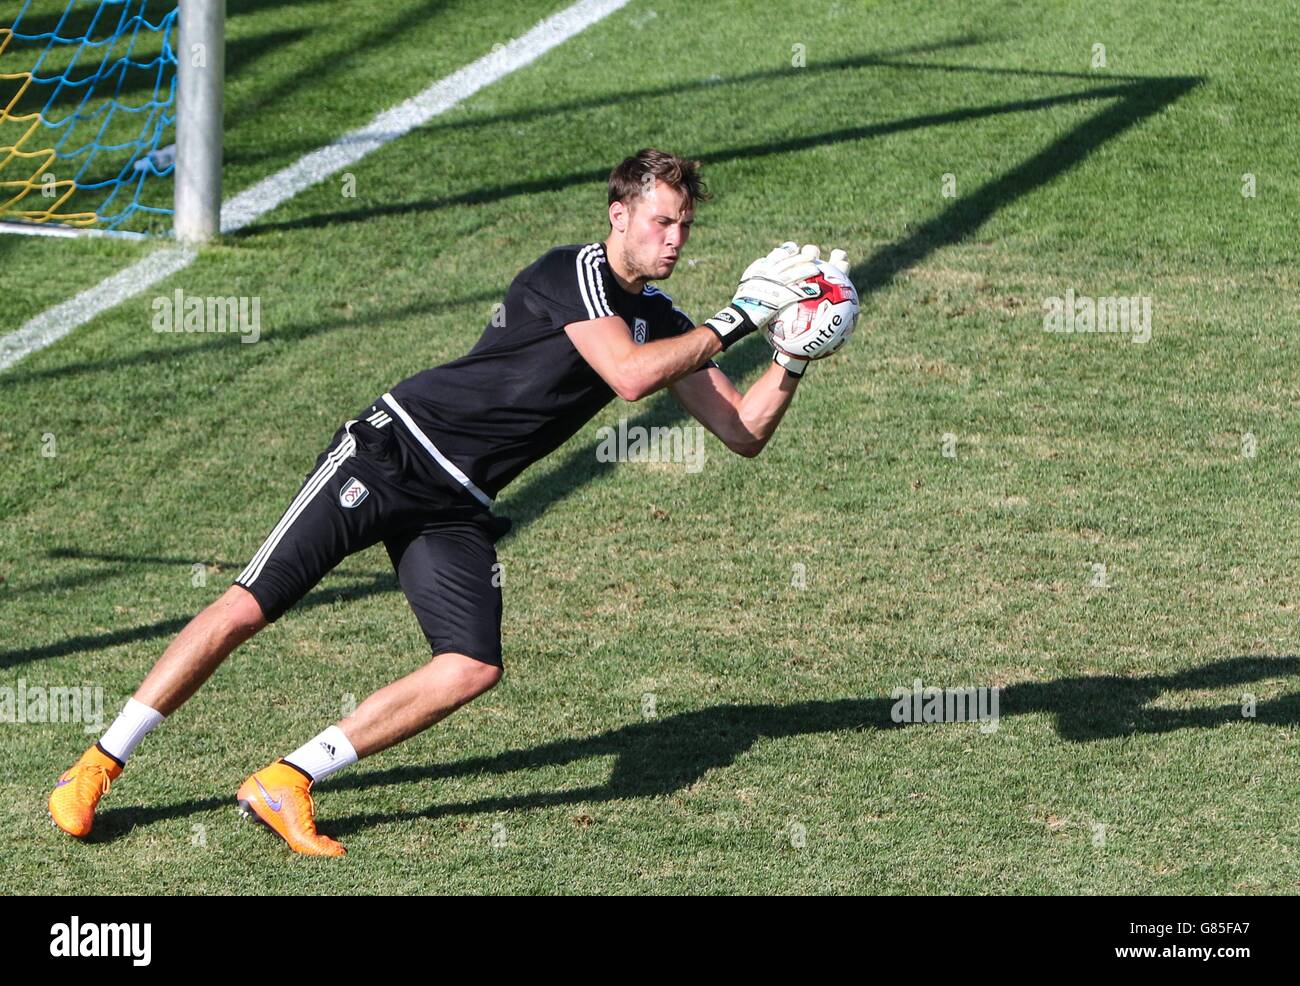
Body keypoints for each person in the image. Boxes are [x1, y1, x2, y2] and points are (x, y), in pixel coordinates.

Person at [48, 148, 844, 856]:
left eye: (685, 229)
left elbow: (741, 431)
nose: (674, 240)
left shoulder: (665, 321)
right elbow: (630, 375)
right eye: (662, 222)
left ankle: (287, 780)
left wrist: (791, 359)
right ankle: (98, 763)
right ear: (619, 214)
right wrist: (740, 316)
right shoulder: (570, 272)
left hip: (455, 504)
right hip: (390, 451)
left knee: (469, 664)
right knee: (249, 606)